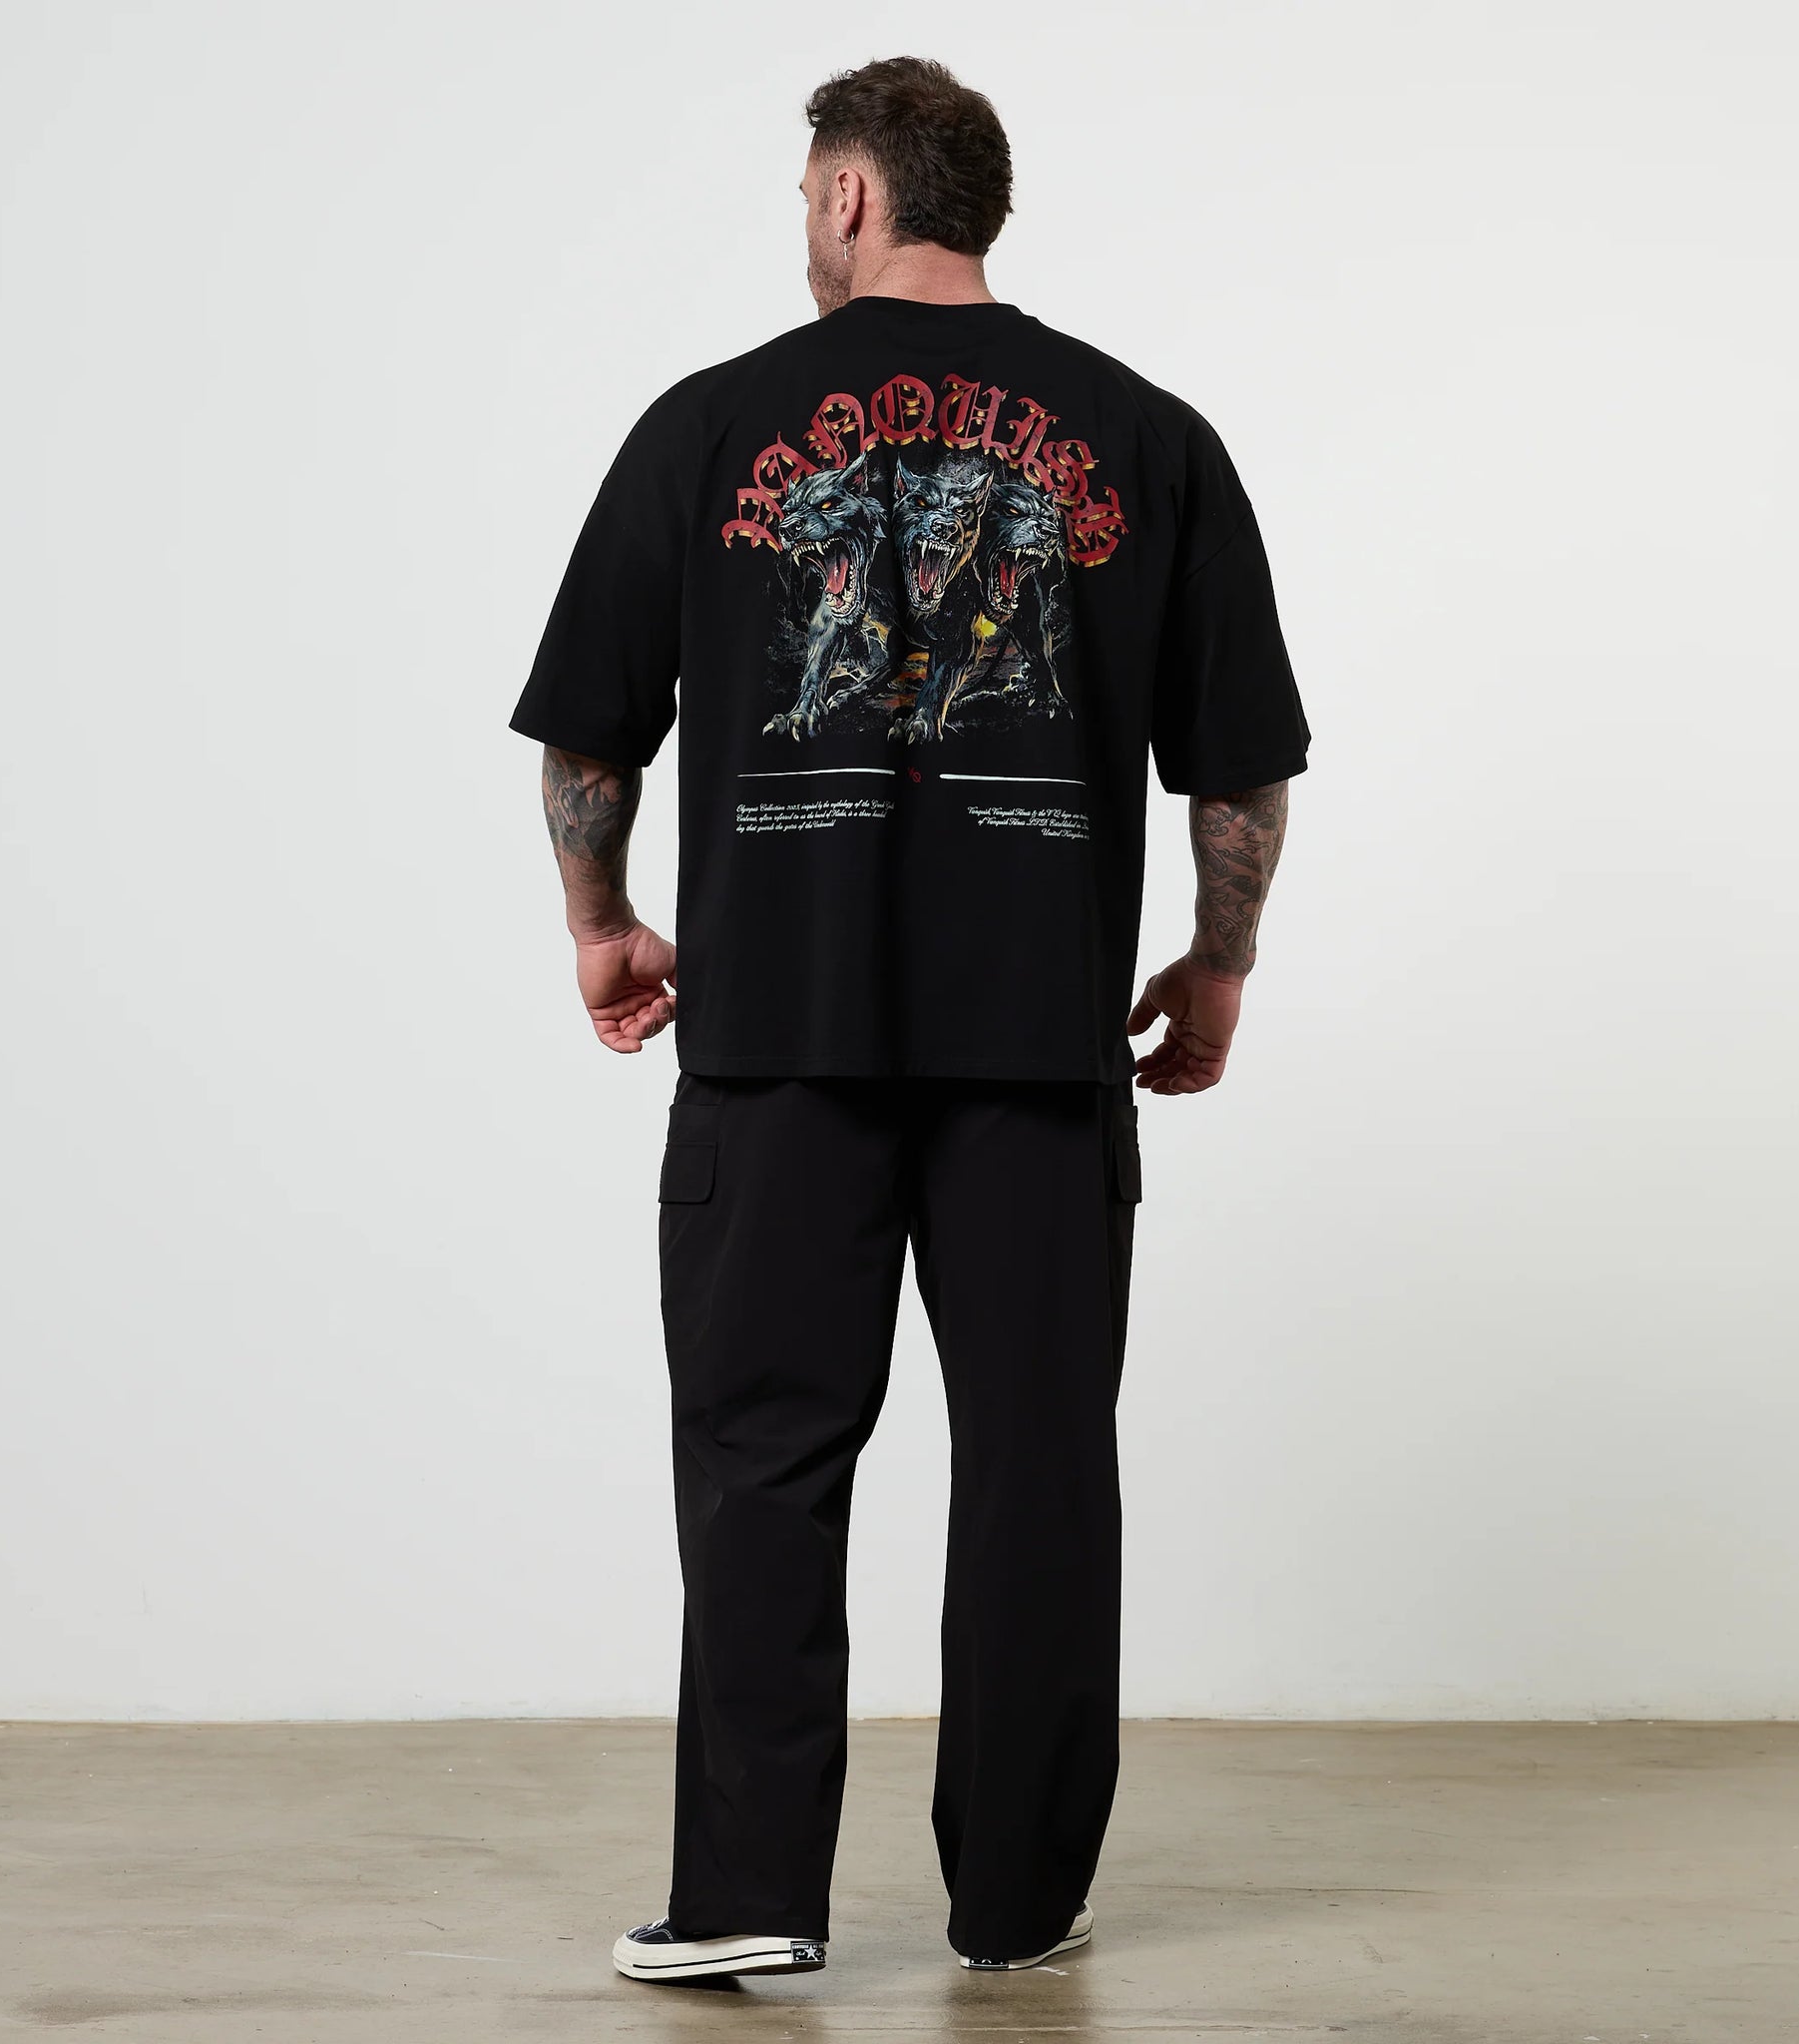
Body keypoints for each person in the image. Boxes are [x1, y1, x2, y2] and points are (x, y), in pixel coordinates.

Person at [509, 55, 1309, 1982]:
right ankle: (1017, 1905)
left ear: (853, 198)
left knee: (763, 1464)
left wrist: (603, 925)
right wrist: (1218, 964)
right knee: (1040, 1470)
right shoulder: (1150, 436)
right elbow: (1239, 771)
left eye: (809, 193)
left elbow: (591, 737)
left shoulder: (707, 427)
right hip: (1038, 1053)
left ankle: (746, 1900)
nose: (807, 223)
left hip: (778, 1046)